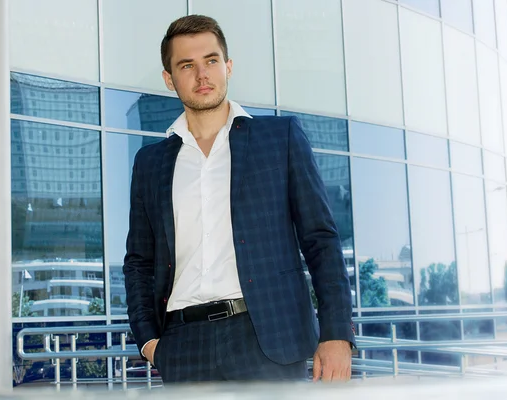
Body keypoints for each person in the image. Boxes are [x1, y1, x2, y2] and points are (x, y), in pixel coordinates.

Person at [123, 14, 355, 384]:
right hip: (183, 345)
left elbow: (320, 240)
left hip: (268, 338)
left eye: (211, 61)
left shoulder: (280, 139)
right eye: (187, 65)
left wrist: (336, 333)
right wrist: (149, 340)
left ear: (228, 67)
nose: (202, 75)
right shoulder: (150, 163)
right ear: (169, 79)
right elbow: (139, 261)